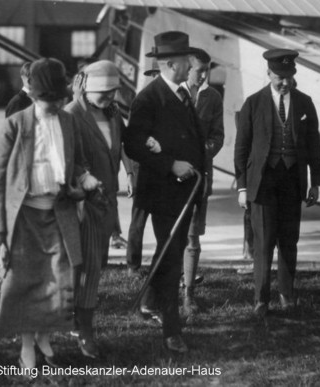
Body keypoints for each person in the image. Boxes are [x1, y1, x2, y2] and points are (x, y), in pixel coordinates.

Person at [0, 57, 99, 372]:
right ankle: (27, 345)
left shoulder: (69, 122)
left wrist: (85, 177)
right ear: (32, 95)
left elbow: (78, 162)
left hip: (59, 214)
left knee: (57, 283)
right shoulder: (14, 125)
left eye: (57, 100)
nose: (52, 105)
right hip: (24, 218)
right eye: (45, 100)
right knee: (23, 285)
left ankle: (45, 336)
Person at [123, 31, 204, 353]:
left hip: (185, 192)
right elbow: (132, 144)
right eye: (186, 60)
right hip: (162, 193)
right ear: (172, 63)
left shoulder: (183, 93)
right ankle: (172, 329)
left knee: (170, 250)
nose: (191, 65)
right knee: (171, 259)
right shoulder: (149, 98)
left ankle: (148, 301)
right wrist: (170, 165)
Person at [234, 48, 320, 318]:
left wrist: (315, 182)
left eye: (289, 76)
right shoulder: (253, 103)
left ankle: (287, 294)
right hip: (262, 182)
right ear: (269, 73)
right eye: (279, 76)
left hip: (292, 181)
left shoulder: (305, 103)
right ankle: (261, 299)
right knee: (263, 242)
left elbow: (313, 146)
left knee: (289, 240)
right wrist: (242, 187)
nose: (285, 82)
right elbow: (241, 147)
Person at [64, 60, 133, 359]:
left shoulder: (113, 114)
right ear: (86, 88)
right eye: (103, 93)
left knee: (96, 264)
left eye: (113, 92)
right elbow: (67, 158)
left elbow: (120, 150)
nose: (108, 98)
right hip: (83, 203)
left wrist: (130, 174)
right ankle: (85, 333)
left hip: (107, 202)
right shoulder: (72, 115)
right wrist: (86, 179)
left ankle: (76, 320)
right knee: (89, 269)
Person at [179, 48, 224, 316]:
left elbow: (218, 135)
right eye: (200, 70)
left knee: (193, 237)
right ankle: (163, 290)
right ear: (187, 68)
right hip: (172, 176)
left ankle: (188, 294)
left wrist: (202, 152)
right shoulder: (173, 93)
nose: (205, 75)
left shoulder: (213, 97)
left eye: (207, 69)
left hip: (199, 178)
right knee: (171, 235)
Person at [125, 60, 161, 278]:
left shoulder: (168, 98)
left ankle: (160, 263)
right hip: (144, 169)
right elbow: (133, 138)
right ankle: (132, 265)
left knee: (162, 220)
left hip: (161, 170)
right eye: (156, 74)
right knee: (139, 220)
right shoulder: (144, 99)